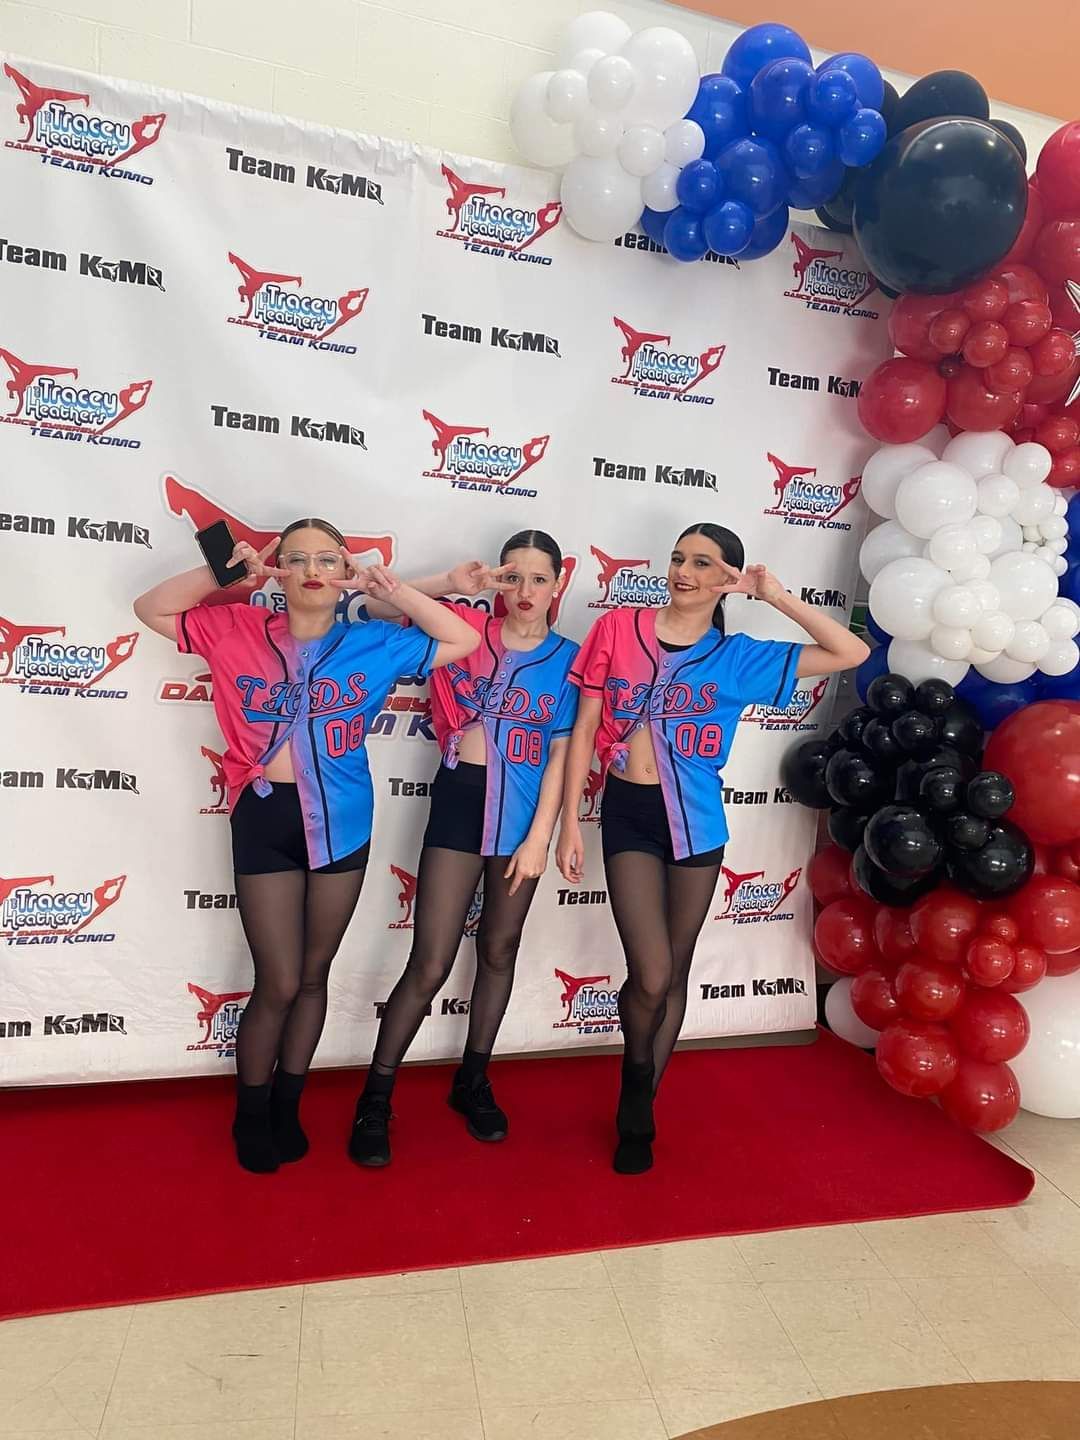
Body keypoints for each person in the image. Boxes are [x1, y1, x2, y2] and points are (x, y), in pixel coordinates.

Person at [133, 520, 479, 1173]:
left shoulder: (372, 642)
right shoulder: (236, 628)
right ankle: (250, 1110)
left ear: (344, 572)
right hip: (265, 818)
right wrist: (229, 575)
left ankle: (289, 1104)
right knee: (279, 980)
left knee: (314, 976)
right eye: (297, 559)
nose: (313, 569)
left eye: (328, 559)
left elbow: (461, 637)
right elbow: (150, 608)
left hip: (343, 822)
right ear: (279, 571)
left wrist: (391, 587)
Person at [556, 522, 869, 1175]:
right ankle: (637, 1086)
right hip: (627, 814)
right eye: (677, 558)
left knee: (674, 968)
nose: (683, 571)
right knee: (650, 973)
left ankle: (639, 1099)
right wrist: (565, 824)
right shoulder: (619, 628)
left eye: (702, 562)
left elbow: (849, 653)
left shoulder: (738, 656)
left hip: (696, 823)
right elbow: (584, 726)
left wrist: (775, 596)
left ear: (726, 576)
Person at [348, 530, 578, 1167]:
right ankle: (376, 1095)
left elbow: (563, 752)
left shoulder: (569, 658)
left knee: (500, 948)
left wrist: (541, 837)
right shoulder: (465, 628)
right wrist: (453, 583)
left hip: (524, 816)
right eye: (514, 577)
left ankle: (472, 1079)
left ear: (560, 584)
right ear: (498, 579)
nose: (525, 591)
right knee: (430, 961)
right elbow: (381, 608)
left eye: (539, 579)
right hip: (458, 801)